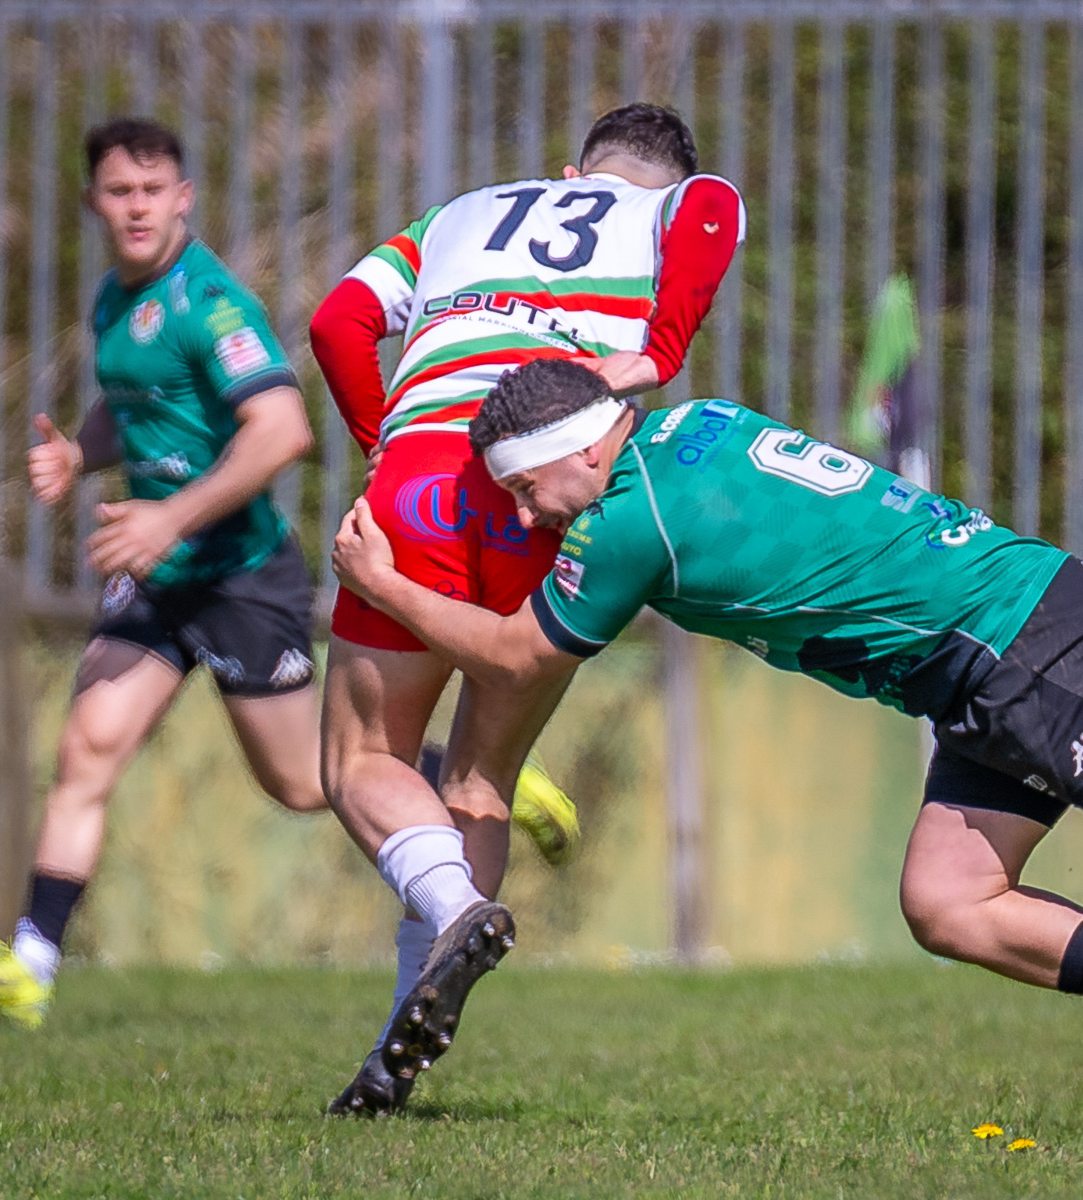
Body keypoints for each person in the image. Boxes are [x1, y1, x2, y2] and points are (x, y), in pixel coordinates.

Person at [330, 357, 1083, 1129]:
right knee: (948, 899)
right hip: (984, 651)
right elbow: (612, 382)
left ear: (578, 455)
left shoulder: (625, 520)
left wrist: (383, 582)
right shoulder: (685, 424)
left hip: (1018, 643)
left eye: (525, 489)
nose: (524, 515)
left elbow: (511, 657)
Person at [309, 103, 745, 1114]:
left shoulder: (461, 214)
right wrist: (656, 353)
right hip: (560, 485)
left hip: (427, 475)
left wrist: (381, 441)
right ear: (661, 179)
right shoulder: (674, 209)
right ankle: (395, 1053)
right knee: (480, 781)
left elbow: (339, 321)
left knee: (364, 759)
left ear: (567, 174)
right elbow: (718, 207)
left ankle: (458, 909)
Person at [0, 118, 323, 1028]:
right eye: (118, 191)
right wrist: (78, 452)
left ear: (184, 197)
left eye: (153, 190)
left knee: (303, 783)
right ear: (92, 202)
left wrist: (171, 519)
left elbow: (283, 430)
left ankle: (449, 767)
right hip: (154, 576)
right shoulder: (115, 298)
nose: (136, 207)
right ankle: (30, 968)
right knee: (87, 748)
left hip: (239, 575)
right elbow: (139, 398)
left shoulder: (212, 304)